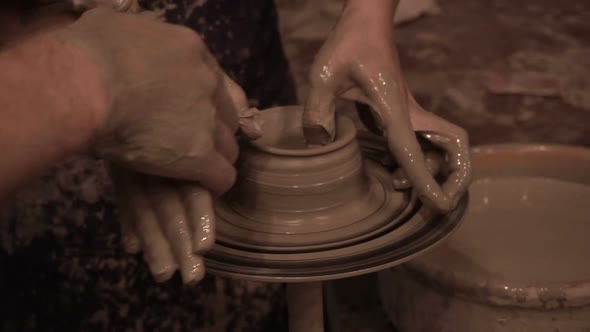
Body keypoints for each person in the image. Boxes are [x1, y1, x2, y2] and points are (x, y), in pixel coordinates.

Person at [0, 0, 471, 330]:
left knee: (270, 290)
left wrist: (368, 18)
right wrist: (75, 78)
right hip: (29, 125)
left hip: (224, 51)